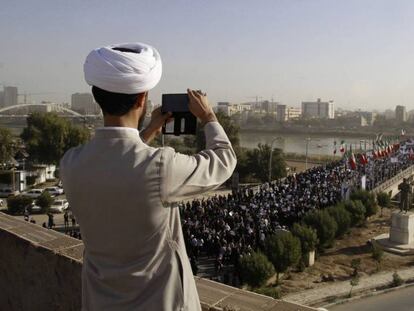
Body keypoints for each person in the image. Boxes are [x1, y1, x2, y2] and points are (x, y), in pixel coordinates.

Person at [60, 42, 237, 311]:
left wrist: (149, 131)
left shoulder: (72, 163)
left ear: (96, 96)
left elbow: (120, 164)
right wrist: (208, 116)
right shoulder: (160, 166)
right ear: (142, 99)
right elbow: (224, 160)